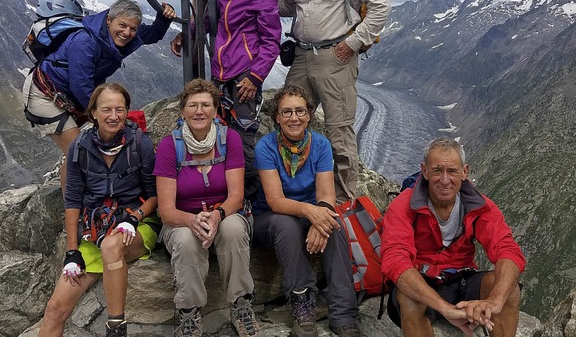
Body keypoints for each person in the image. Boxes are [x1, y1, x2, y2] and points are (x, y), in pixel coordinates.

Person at [278, 0, 391, 203]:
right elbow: (290, 6)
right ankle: (296, 188)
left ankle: (342, 201)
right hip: (302, 55)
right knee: (290, 119)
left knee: (338, 130)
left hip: (336, 56)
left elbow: (380, 6)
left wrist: (352, 44)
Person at [38, 83, 159, 337]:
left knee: (111, 246)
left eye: (120, 109)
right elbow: (72, 201)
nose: (113, 116)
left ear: (127, 112)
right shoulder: (79, 148)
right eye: (106, 110)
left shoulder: (140, 145)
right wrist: (72, 252)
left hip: (136, 226)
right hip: (94, 231)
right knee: (54, 309)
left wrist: (133, 218)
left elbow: (155, 196)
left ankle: (116, 328)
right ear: (93, 112)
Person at [23, 0, 176, 188]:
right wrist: (106, 117)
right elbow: (81, 85)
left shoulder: (122, 34)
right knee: (76, 153)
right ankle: (72, 211)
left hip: (67, 95)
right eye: (122, 25)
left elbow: (152, 34)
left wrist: (164, 18)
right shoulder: (85, 41)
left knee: (89, 146)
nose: (127, 32)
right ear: (109, 20)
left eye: (132, 28)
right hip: (44, 95)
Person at [170, 0, 281, 200]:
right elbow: (209, 21)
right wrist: (186, 35)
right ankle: (223, 191)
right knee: (217, 134)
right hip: (220, 74)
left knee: (243, 137)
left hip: (245, 75)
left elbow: (271, 40)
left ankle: (250, 198)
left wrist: (255, 77)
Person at [381, 137, 526, 337]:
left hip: (462, 280)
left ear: (464, 172)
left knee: (510, 291)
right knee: (410, 299)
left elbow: (507, 249)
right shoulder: (404, 206)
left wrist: (496, 300)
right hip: (422, 281)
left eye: (452, 171)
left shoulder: (479, 206)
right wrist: (444, 307)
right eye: (437, 170)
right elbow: (395, 259)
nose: (445, 179)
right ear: (424, 171)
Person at [252, 85, 362, 337]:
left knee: (334, 226)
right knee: (286, 224)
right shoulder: (266, 147)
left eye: (300, 111)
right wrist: (313, 213)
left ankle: (344, 313)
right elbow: (276, 201)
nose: (294, 118)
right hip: (269, 220)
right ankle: (302, 304)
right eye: (287, 112)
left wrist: (320, 219)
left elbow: (326, 196)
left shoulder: (320, 145)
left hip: (307, 214)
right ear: (277, 117)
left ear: (309, 114)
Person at [154, 79, 259, 337]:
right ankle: (189, 313)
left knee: (233, 229)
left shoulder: (229, 139)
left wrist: (217, 215)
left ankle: (241, 303)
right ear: (183, 111)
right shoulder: (170, 146)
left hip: (224, 212)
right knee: (187, 241)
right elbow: (166, 210)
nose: (199, 111)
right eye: (192, 105)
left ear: (215, 110)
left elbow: (235, 196)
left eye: (205, 105)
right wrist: (192, 221)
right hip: (181, 218)